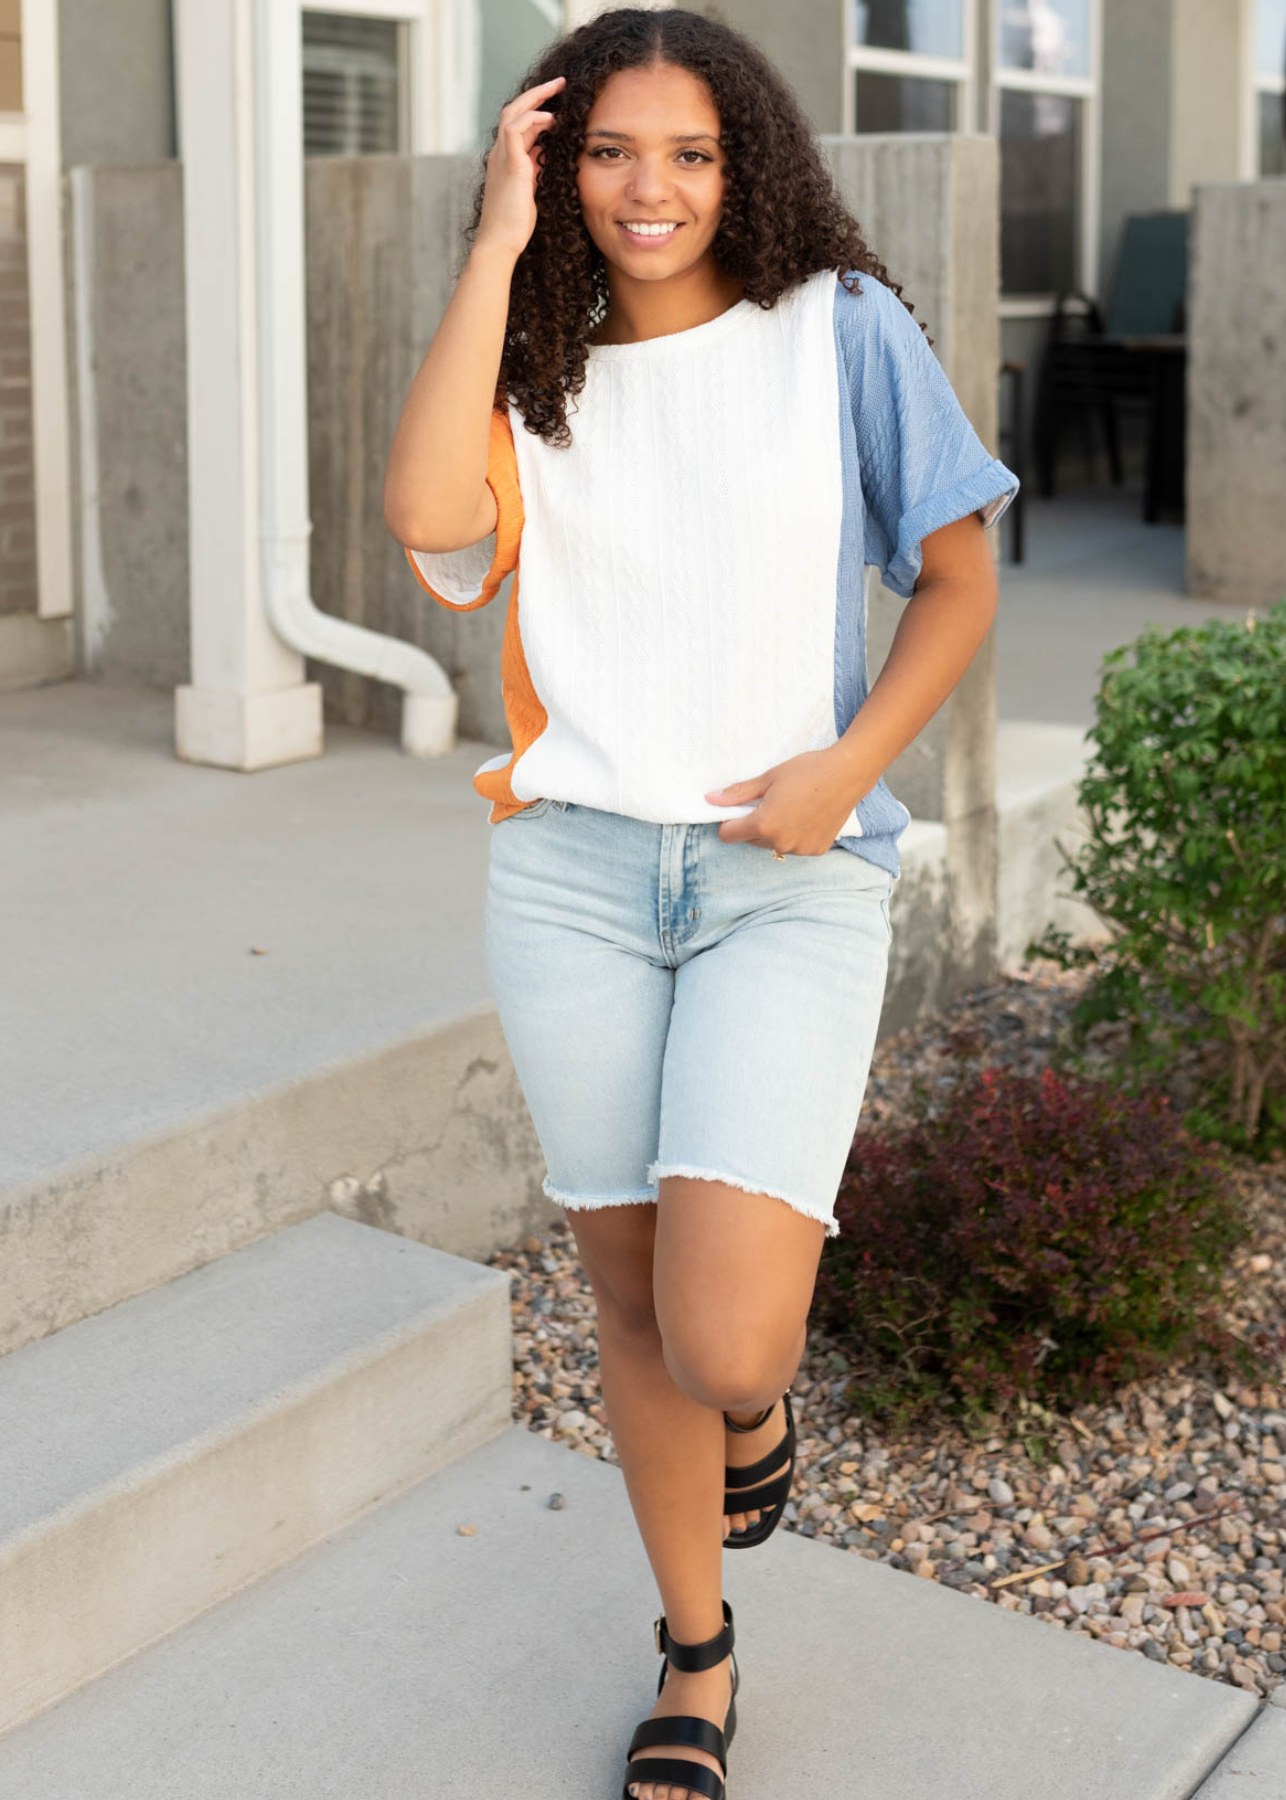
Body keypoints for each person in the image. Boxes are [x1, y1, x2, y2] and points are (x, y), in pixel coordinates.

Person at [383, 10, 1018, 1797]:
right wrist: (495, 247)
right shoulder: (531, 359)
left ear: (747, 163)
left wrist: (845, 764)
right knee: (628, 1297)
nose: (646, 189)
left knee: (724, 1332)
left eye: (687, 153)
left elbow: (959, 580)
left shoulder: (841, 333)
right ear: (552, 163)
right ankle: (696, 1648)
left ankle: (756, 1406)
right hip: (574, 873)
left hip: (785, 874)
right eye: (603, 153)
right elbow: (427, 521)